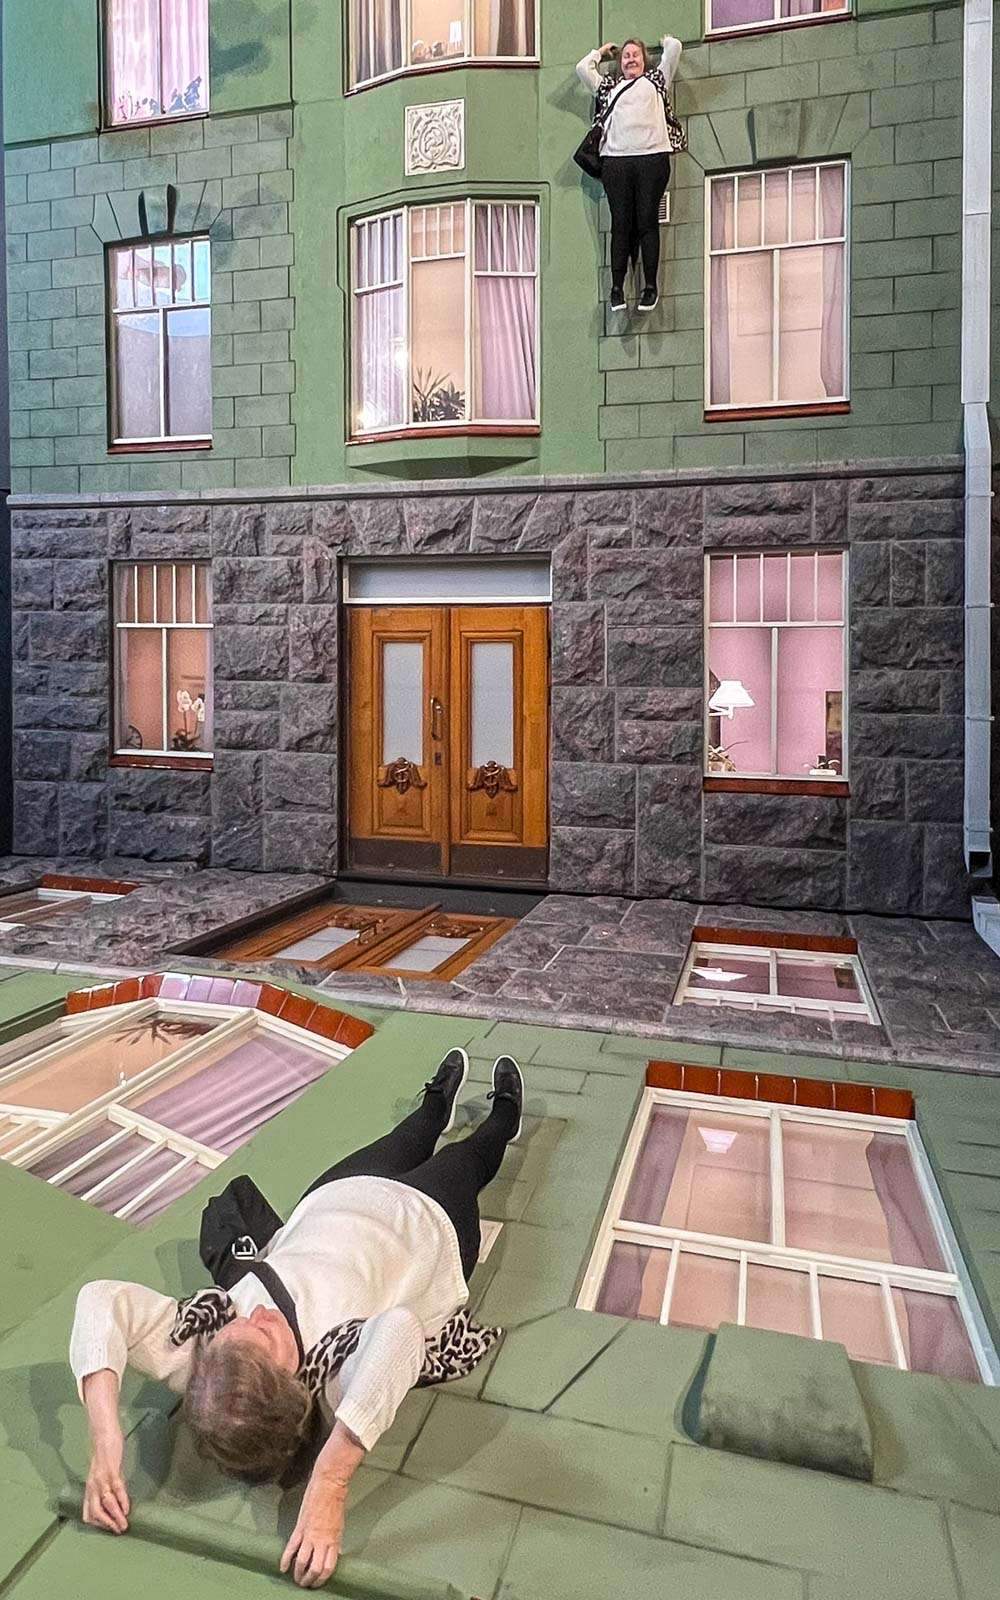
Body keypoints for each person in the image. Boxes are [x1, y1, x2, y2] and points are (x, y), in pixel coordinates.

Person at [70, 1050, 524, 1590]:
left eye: (236, 1327)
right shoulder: (334, 1376)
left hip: (337, 1197)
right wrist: (331, 1481)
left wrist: (105, 1438)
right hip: (425, 1226)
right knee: (470, 1157)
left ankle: (436, 1105)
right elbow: (401, 1330)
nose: (256, 1314)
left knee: (412, 1131)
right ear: (291, 1381)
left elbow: (101, 1300)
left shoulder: (206, 1354)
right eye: (267, 1335)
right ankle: (505, 1118)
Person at [576, 34, 684, 314]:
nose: (631, 59)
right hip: (616, 162)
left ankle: (650, 287)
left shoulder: (656, 80)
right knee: (620, 224)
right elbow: (582, 69)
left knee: (648, 221)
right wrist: (600, 52)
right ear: (620, 62)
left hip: (652, 158)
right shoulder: (609, 87)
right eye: (626, 55)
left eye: (636, 55)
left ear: (645, 60)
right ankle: (616, 289)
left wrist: (666, 40)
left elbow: (675, 49)